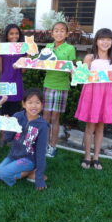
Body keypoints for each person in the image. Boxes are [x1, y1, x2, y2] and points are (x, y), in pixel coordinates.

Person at [75, 28, 112, 170]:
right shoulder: (90, 58)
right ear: (96, 41)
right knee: (90, 127)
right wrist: (75, 72)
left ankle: (96, 157)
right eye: (102, 39)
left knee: (101, 127)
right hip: (91, 94)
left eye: (108, 39)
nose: (105, 42)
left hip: (106, 96)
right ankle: (87, 156)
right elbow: (82, 78)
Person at [0, 88, 48, 190]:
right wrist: (6, 126)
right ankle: (26, 172)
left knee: (4, 174)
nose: (34, 106)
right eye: (30, 102)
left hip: (29, 159)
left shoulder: (43, 126)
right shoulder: (17, 117)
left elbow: (41, 152)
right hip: (13, 156)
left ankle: (32, 171)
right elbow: (8, 138)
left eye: (37, 102)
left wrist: (39, 178)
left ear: (42, 105)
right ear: (24, 104)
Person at [0, 24, 26, 146]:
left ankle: (12, 137)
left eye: (16, 33)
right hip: (3, 85)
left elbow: (23, 71)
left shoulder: (23, 49)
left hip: (17, 85)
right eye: (11, 34)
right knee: (3, 113)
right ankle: (3, 137)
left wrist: (28, 57)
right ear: (7, 36)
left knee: (14, 115)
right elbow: (0, 70)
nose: (14, 36)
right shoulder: (1, 49)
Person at [43, 22, 76, 157]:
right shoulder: (48, 47)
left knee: (55, 117)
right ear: (52, 33)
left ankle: (52, 146)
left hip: (62, 86)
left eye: (62, 30)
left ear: (67, 34)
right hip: (48, 84)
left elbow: (72, 69)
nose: (59, 33)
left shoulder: (70, 48)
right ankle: (43, 144)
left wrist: (76, 75)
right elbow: (43, 64)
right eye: (56, 30)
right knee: (45, 117)